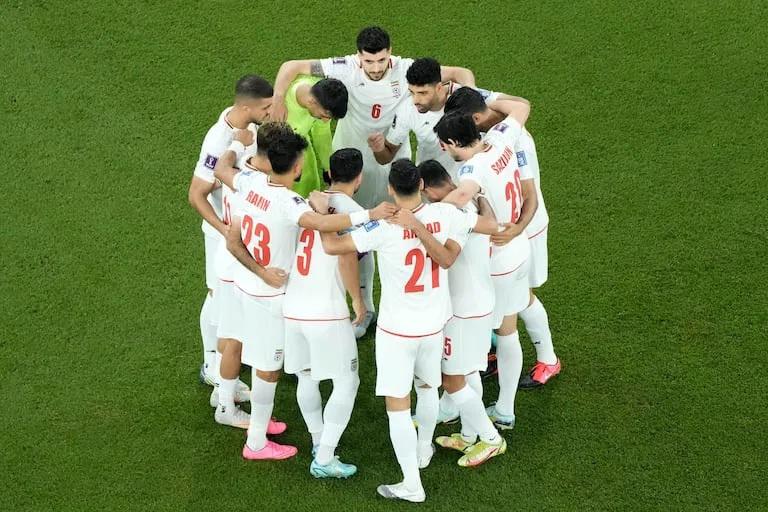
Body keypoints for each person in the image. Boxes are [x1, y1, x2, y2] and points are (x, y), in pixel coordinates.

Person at [270, 27, 476, 336]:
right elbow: (291, 66)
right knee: (355, 232)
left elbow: (462, 72)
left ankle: (418, 299)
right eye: (370, 61)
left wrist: (465, 105)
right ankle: (362, 307)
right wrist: (277, 98)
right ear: (359, 58)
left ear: (391, 53)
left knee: (405, 229)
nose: (376, 67)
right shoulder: (344, 67)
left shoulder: (406, 68)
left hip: (395, 159)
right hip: (352, 160)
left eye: (382, 60)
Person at [318, 159, 502, 502]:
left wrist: (322, 216)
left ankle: (412, 484)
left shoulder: (383, 227)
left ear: (390, 188)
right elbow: (487, 228)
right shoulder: (447, 215)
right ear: (420, 184)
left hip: (397, 333)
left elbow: (333, 247)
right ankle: (423, 449)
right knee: (428, 387)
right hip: (434, 327)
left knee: (398, 407)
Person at [222, 127, 395, 461]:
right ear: (297, 167)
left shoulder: (250, 182)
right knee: (267, 369)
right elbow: (321, 226)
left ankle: (261, 428)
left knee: (272, 364)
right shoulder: (289, 203)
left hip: (244, 286)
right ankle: (256, 442)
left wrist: (234, 141)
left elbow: (232, 238)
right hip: (271, 299)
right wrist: (370, 214)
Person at [445, 87, 561, 388]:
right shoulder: (502, 134)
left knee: (521, 301)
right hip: (513, 229)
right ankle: (498, 353)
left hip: (523, 226)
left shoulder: (505, 143)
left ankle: (547, 358)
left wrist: (518, 228)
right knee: (508, 304)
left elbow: (528, 192)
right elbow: (522, 106)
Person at [435, 107, 537, 431]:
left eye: (444, 144)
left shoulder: (472, 168)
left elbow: (463, 193)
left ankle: (465, 416)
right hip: (519, 246)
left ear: (453, 142)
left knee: (472, 343)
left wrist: (425, 212)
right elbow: (522, 106)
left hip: (497, 260)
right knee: (508, 333)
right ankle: (505, 409)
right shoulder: (501, 137)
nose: (444, 151)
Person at [282, 148, 368, 478]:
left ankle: (318, 441)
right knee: (347, 380)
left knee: (306, 375)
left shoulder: (304, 207)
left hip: (293, 308)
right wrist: (358, 301)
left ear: (330, 174)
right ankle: (325, 457)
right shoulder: (352, 213)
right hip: (326, 312)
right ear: (358, 178)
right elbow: (346, 258)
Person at [417, 160, 504, 464]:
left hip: (463, 310)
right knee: (468, 371)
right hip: (480, 302)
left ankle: (491, 440)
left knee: (452, 378)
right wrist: (480, 197)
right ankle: (468, 436)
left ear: (425, 188)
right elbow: (492, 224)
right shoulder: (470, 206)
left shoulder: (448, 213)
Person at [188, 74, 272, 387]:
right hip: (222, 232)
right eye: (265, 107)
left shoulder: (248, 126)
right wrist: (223, 231)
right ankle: (211, 361)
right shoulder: (218, 139)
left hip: (243, 225)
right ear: (247, 107)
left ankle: (234, 353)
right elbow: (196, 194)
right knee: (217, 294)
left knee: (238, 293)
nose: (269, 111)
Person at [369, 57, 530, 180]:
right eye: (412, 92)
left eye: (423, 93)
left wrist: (473, 95)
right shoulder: (407, 110)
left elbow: (521, 103)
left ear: (439, 87)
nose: (415, 100)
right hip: (432, 188)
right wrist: (378, 149)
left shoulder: (463, 98)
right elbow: (387, 156)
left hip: (474, 182)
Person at [284, 77, 349, 197]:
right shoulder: (282, 107)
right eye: (324, 115)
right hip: (281, 159)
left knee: (311, 192)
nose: (325, 120)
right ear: (311, 102)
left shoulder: (321, 97)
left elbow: (321, 134)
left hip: (303, 152)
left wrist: (328, 167)